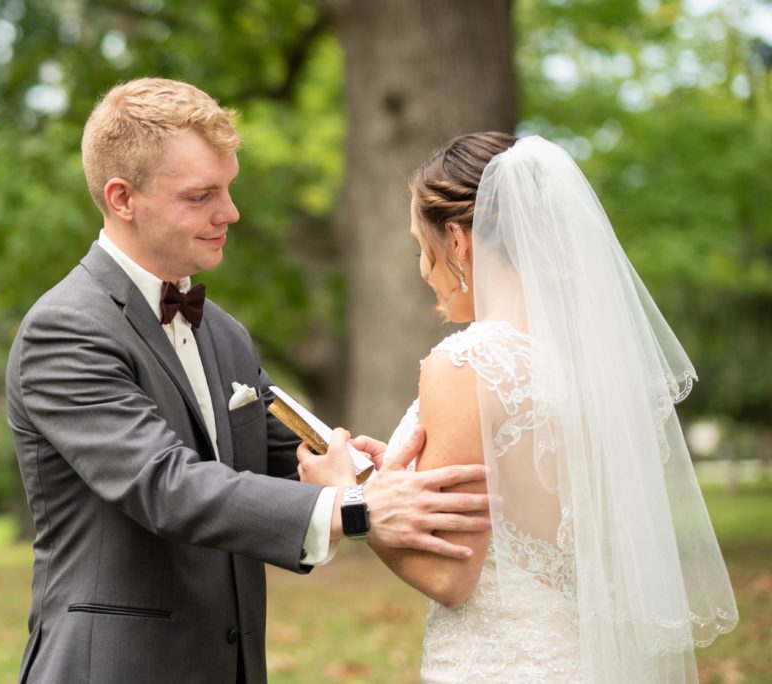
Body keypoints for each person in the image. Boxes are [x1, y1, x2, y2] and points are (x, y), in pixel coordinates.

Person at [5, 77, 492, 684]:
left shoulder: (224, 332)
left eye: (228, 189)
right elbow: (165, 485)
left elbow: (280, 455)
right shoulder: (65, 329)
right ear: (122, 197)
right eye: (202, 195)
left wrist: (369, 469)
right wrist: (357, 508)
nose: (229, 213)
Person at [298, 132, 739, 682]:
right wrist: (398, 476)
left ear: (458, 239)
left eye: (420, 245)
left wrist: (348, 498)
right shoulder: (594, 363)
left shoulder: (467, 362)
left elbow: (450, 578)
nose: (421, 267)